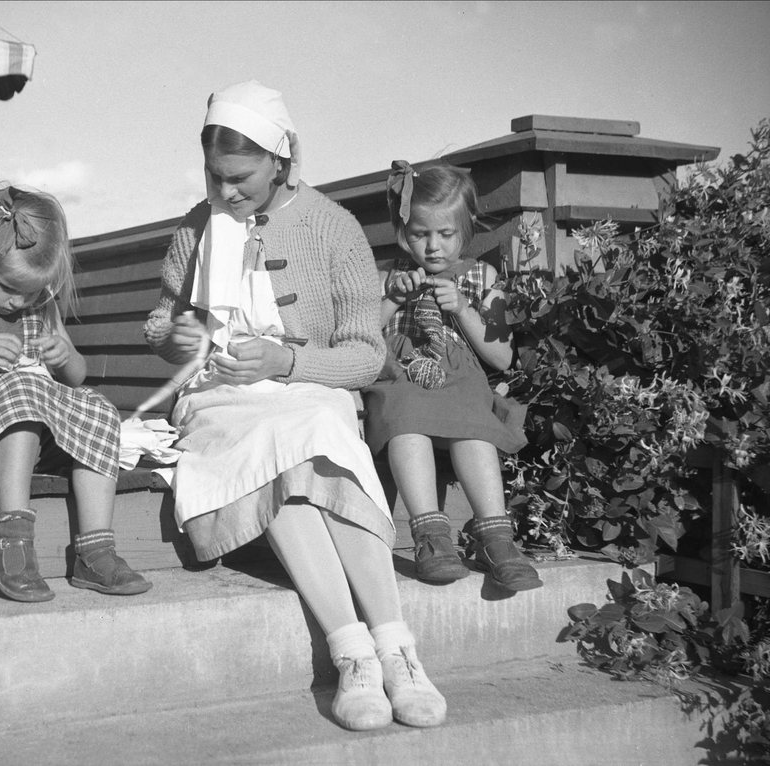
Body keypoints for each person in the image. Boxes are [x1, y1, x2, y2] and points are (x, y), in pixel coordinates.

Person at [144, 80, 445, 731]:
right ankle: (354, 654)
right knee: (287, 445)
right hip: (221, 401)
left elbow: (366, 357)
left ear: (281, 159)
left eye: (239, 178)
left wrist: (287, 362)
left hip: (308, 392)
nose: (224, 192)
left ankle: (398, 650)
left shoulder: (332, 228)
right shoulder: (197, 227)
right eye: (213, 175)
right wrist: (181, 336)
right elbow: (162, 327)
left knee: (309, 427)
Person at [0, 184, 151, 603]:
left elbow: (75, 378)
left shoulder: (40, 304)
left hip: (32, 440)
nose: (21, 301)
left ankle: (95, 550)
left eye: (33, 291)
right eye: (10, 287)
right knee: (22, 394)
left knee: (98, 408)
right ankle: (10, 537)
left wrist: (64, 355)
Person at [365, 161, 541, 592]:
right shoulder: (388, 277)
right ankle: (430, 537)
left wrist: (463, 308)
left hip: (459, 381)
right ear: (401, 230)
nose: (432, 247)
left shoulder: (484, 278)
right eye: (420, 233)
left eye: (445, 234)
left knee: (475, 431)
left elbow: (502, 357)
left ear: (466, 231)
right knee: (405, 422)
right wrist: (390, 300)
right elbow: (358, 335)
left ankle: (496, 538)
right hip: (403, 376)